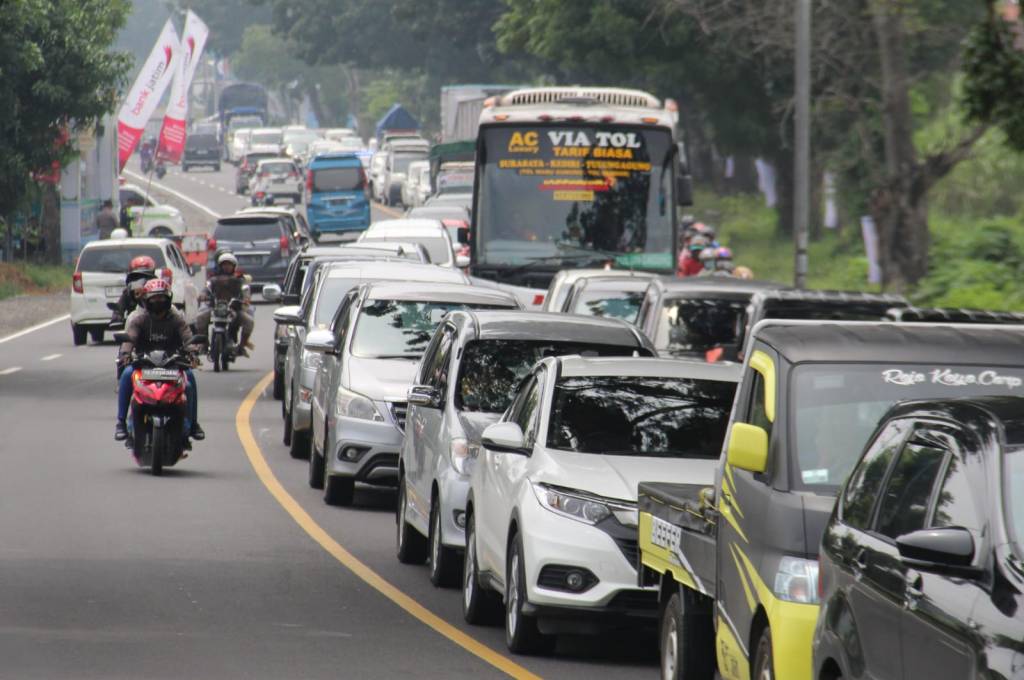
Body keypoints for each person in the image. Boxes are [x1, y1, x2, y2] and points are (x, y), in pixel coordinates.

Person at [115, 279, 204, 443]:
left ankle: (193, 424)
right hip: (144, 364)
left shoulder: (176, 319)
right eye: (154, 298)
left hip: (172, 364)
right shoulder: (139, 320)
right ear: (147, 300)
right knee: (127, 375)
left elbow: (187, 337)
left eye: (161, 298)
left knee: (189, 379)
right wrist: (125, 354)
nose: (158, 302)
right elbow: (130, 339)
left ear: (168, 299)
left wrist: (193, 352)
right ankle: (120, 423)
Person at [196, 252, 255, 356]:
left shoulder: (239, 280)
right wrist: (203, 295)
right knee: (200, 318)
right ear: (220, 266)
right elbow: (206, 289)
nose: (226, 266)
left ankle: (242, 345)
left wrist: (245, 299)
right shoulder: (213, 280)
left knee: (249, 322)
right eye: (224, 264)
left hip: (234, 309)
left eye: (229, 264)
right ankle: (204, 344)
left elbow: (245, 291)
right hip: (216, 309)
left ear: (233, 266)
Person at [110, 255, 157, 324]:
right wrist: (117, 315)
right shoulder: (128, 292)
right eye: (136, 277)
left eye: (146, 276)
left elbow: (170, 308)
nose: (142, 281)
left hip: (157, 321)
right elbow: (120, 306)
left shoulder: (158, 287)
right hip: (134, 323)